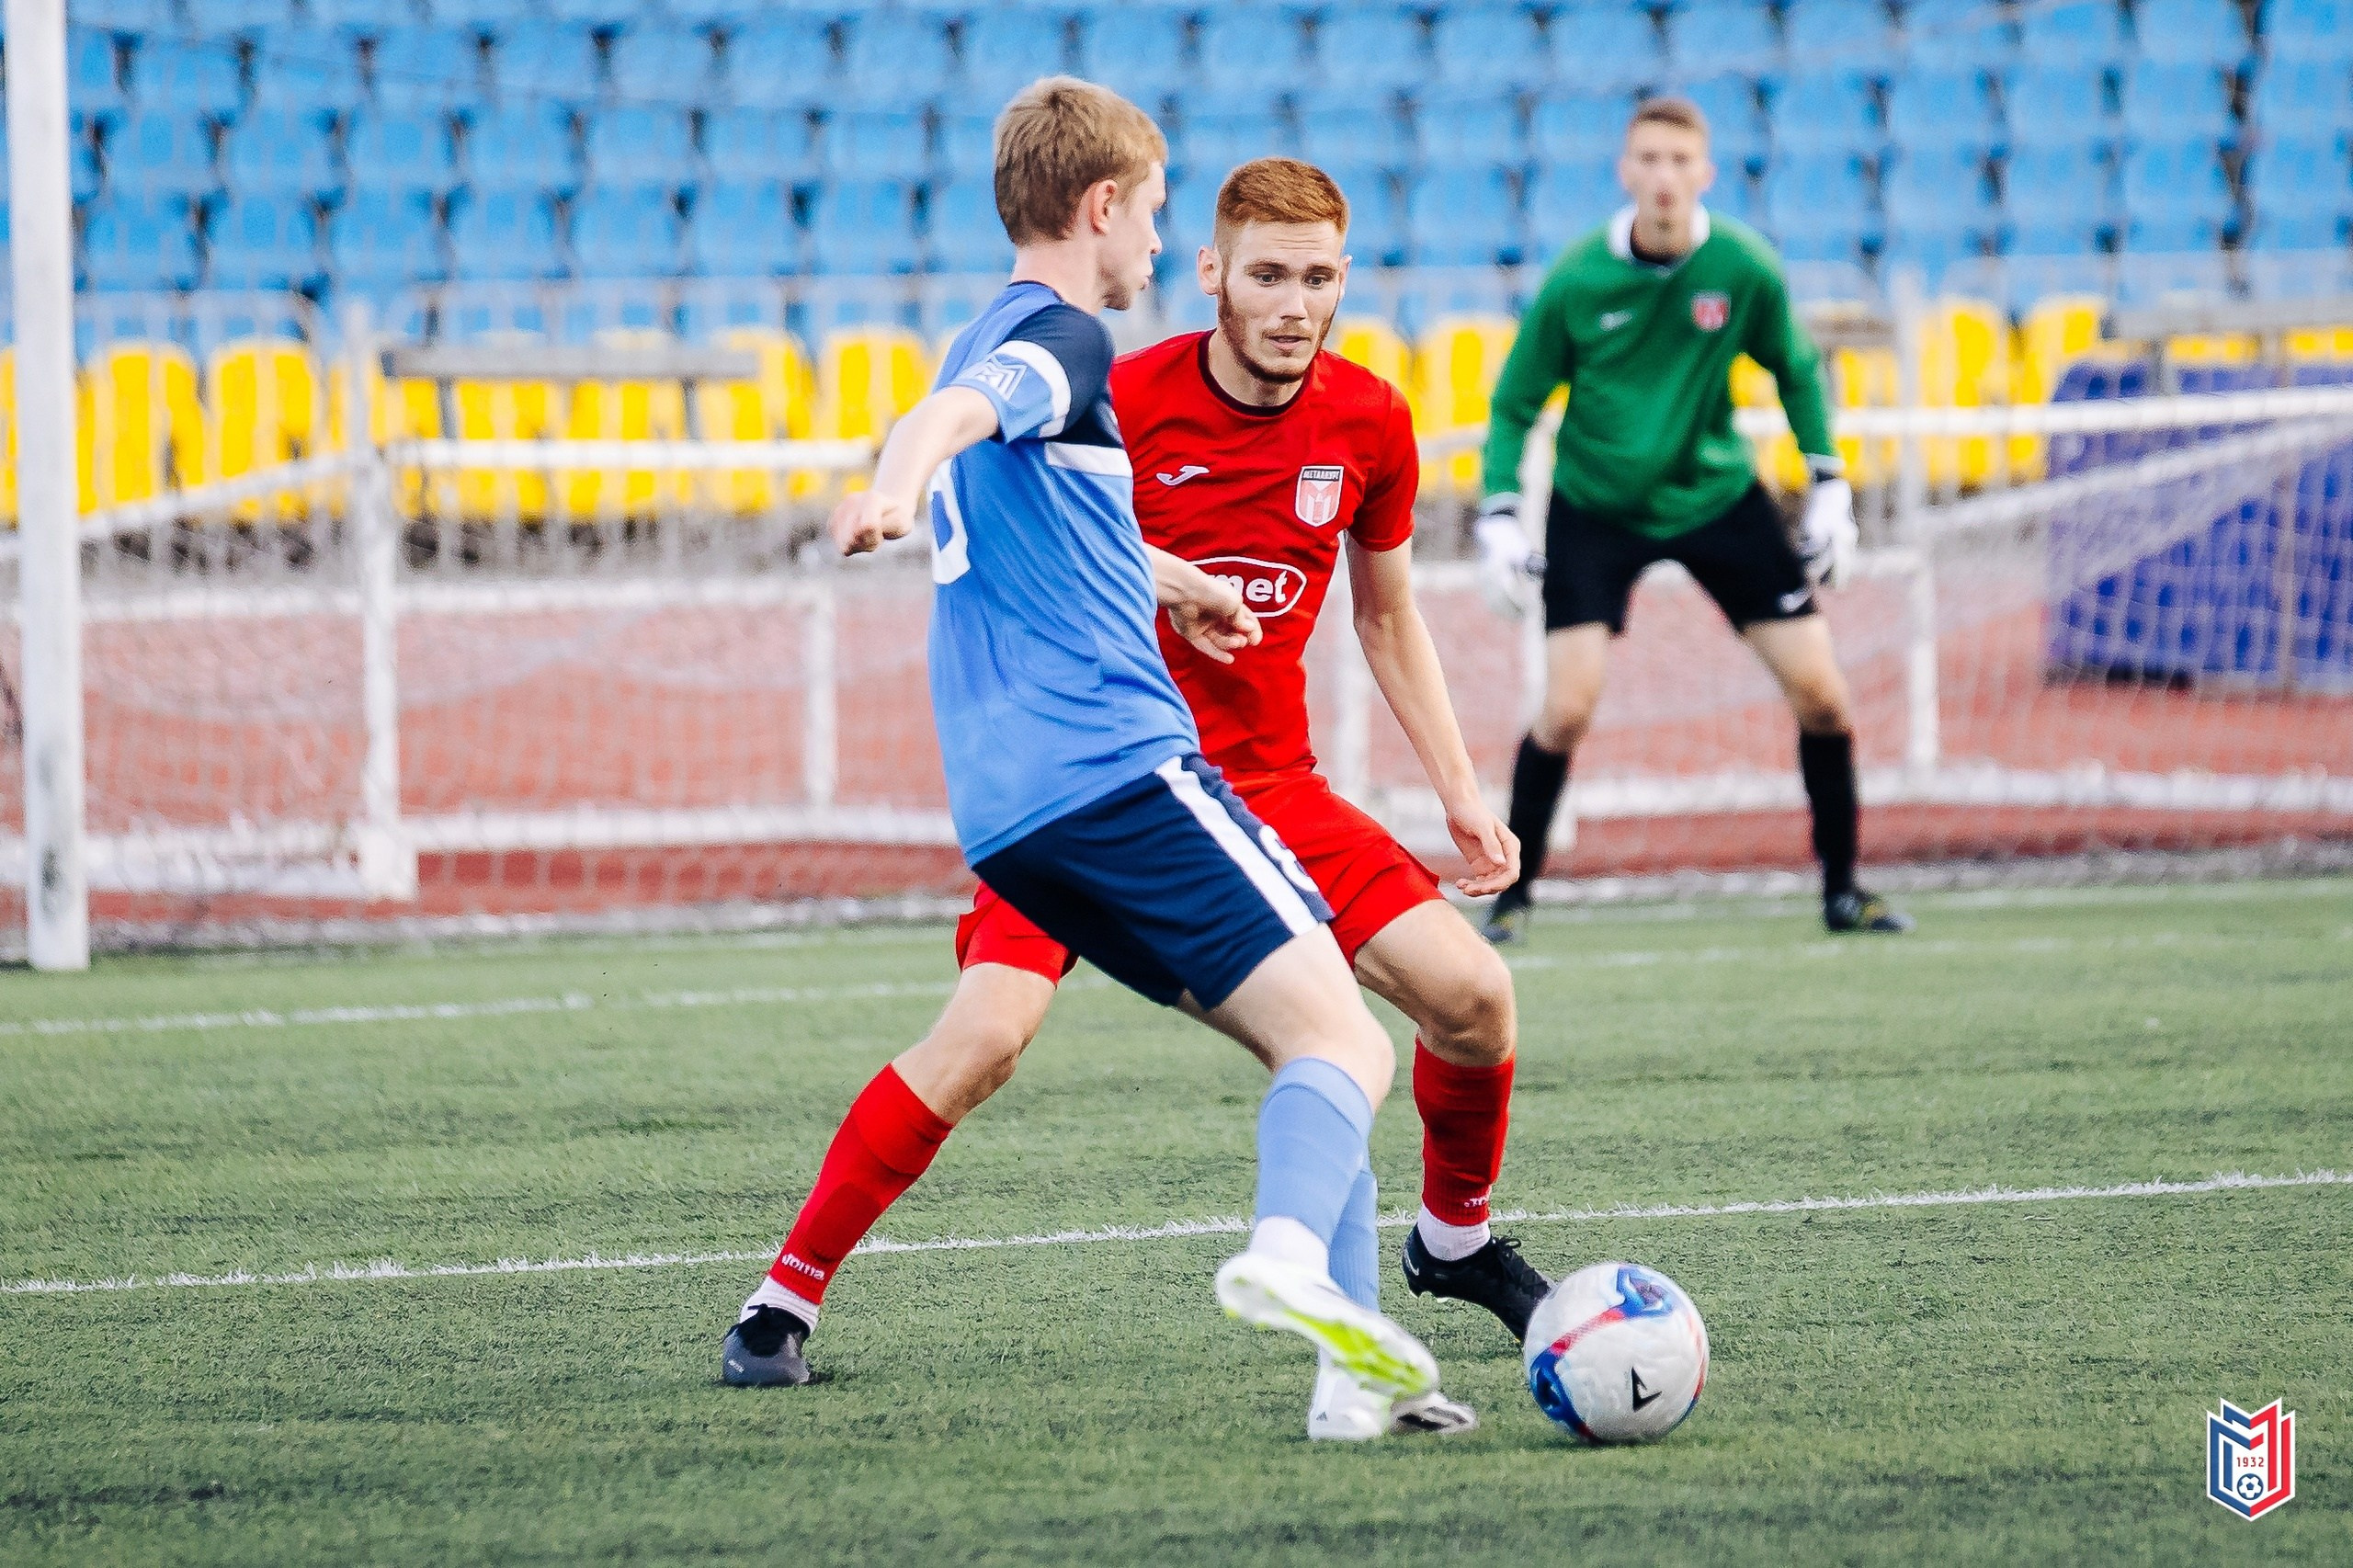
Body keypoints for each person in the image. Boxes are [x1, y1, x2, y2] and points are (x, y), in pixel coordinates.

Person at [722, 82, 1455, 1436]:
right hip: (1120, 772)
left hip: (1011, 816)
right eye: (1158, 216)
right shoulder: (1060, 335)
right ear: (1102, 206)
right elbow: (953, 425)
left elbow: (1027, 488)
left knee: (1295, 1041)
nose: (1162, 251)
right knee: (1349, 1036)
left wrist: (1169, 579)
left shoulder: (992, 332)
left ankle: (1358, 1379)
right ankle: (1291, 1260)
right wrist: (895, 472)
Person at [1473, 95, 1915, 943]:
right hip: (1596, 507)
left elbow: (1794, 370)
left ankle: (1844, 892)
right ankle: (1513, 897)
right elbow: (1514, 405)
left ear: (1705, 173)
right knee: (1567, 708)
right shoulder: (1576, 280)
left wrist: (1829, 483)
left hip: (1717, 497)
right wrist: (1498, 515)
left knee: (1825, 695)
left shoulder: (1744, 267)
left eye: (1681, 161)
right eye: (1649, 159)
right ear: (1625, 171)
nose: (1664, 177)